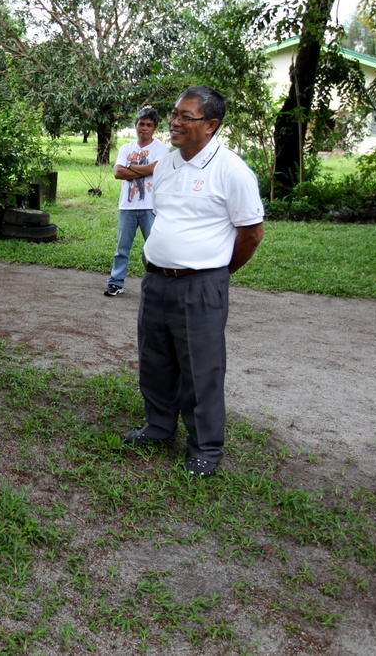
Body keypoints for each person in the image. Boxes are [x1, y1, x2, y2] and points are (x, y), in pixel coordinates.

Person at [123, 87, 264, 478]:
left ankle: (205, 449)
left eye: (186, 117)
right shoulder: (166, 164)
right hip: (156, 282)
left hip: (201, 286)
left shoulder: (231, 171)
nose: (175, 122)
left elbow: (251, 234)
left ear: (211, 125)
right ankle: (158, 427)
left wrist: (215, 273)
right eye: (175, 114)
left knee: (201, 370)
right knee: (155, 360)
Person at [104, 107, 167, 296]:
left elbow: (155, 169)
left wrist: (130, 166)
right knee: (122, 248)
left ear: (155, 127)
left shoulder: (161, 149)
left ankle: (158, 286)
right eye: (141, 124)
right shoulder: (126, 148)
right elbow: (118, 173)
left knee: (154, 248)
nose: (144, 128)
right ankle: (116, 282)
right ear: (136, 125)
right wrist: (144, 168)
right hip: (128, 206)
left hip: (150, 207)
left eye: (149, 125)